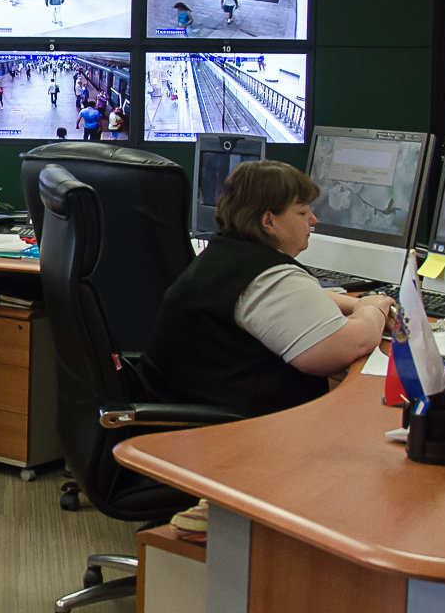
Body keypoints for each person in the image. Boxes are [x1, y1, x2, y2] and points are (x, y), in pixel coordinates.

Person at [148, 161, 397, 420]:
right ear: (268, 220)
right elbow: (346, 346)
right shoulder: (266, 278)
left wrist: (355, 304)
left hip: (188, 407)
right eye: (302, 212)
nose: (313, 219)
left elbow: (297, 299)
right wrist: (374, 308)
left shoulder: (228, 258)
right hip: (228, 429)